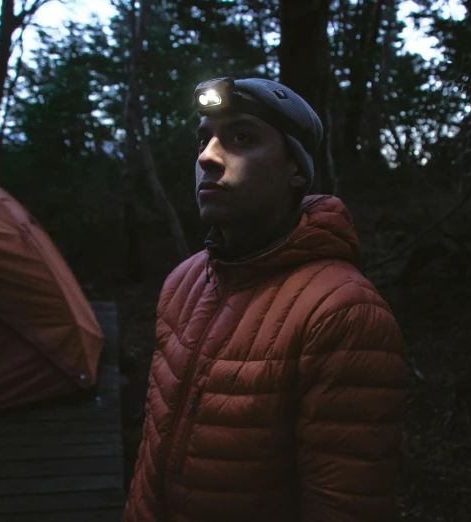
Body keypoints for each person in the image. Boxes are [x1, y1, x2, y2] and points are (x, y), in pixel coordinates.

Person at [123, 77, 408, 522]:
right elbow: (150, 457)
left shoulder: (342, 313)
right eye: (203, 139)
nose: (207, 157)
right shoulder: (182, 282)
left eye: (241, 138)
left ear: (296, 167)